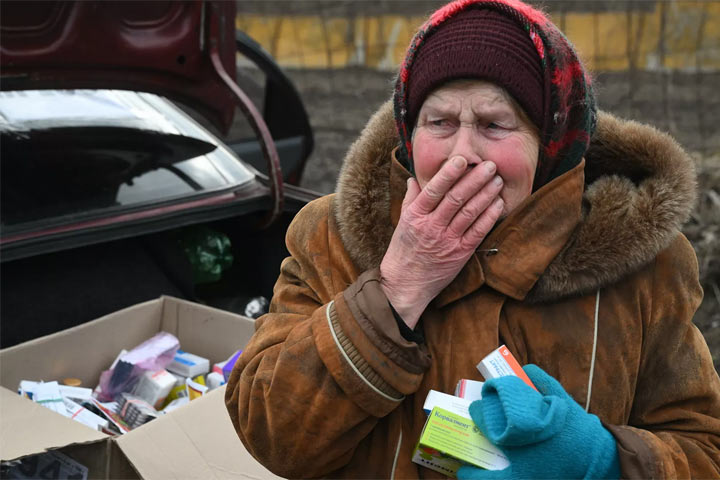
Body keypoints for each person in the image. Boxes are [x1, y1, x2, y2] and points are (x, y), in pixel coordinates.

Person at [226, 0, 720, 477]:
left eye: (493, 124)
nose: (461, 155)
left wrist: (603, 462)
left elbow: (704, 450)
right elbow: (273, 438)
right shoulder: (329, 235)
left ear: (548, 144)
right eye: (439, 122)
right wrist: (398, 287)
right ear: (408, 132)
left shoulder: (645, 262)